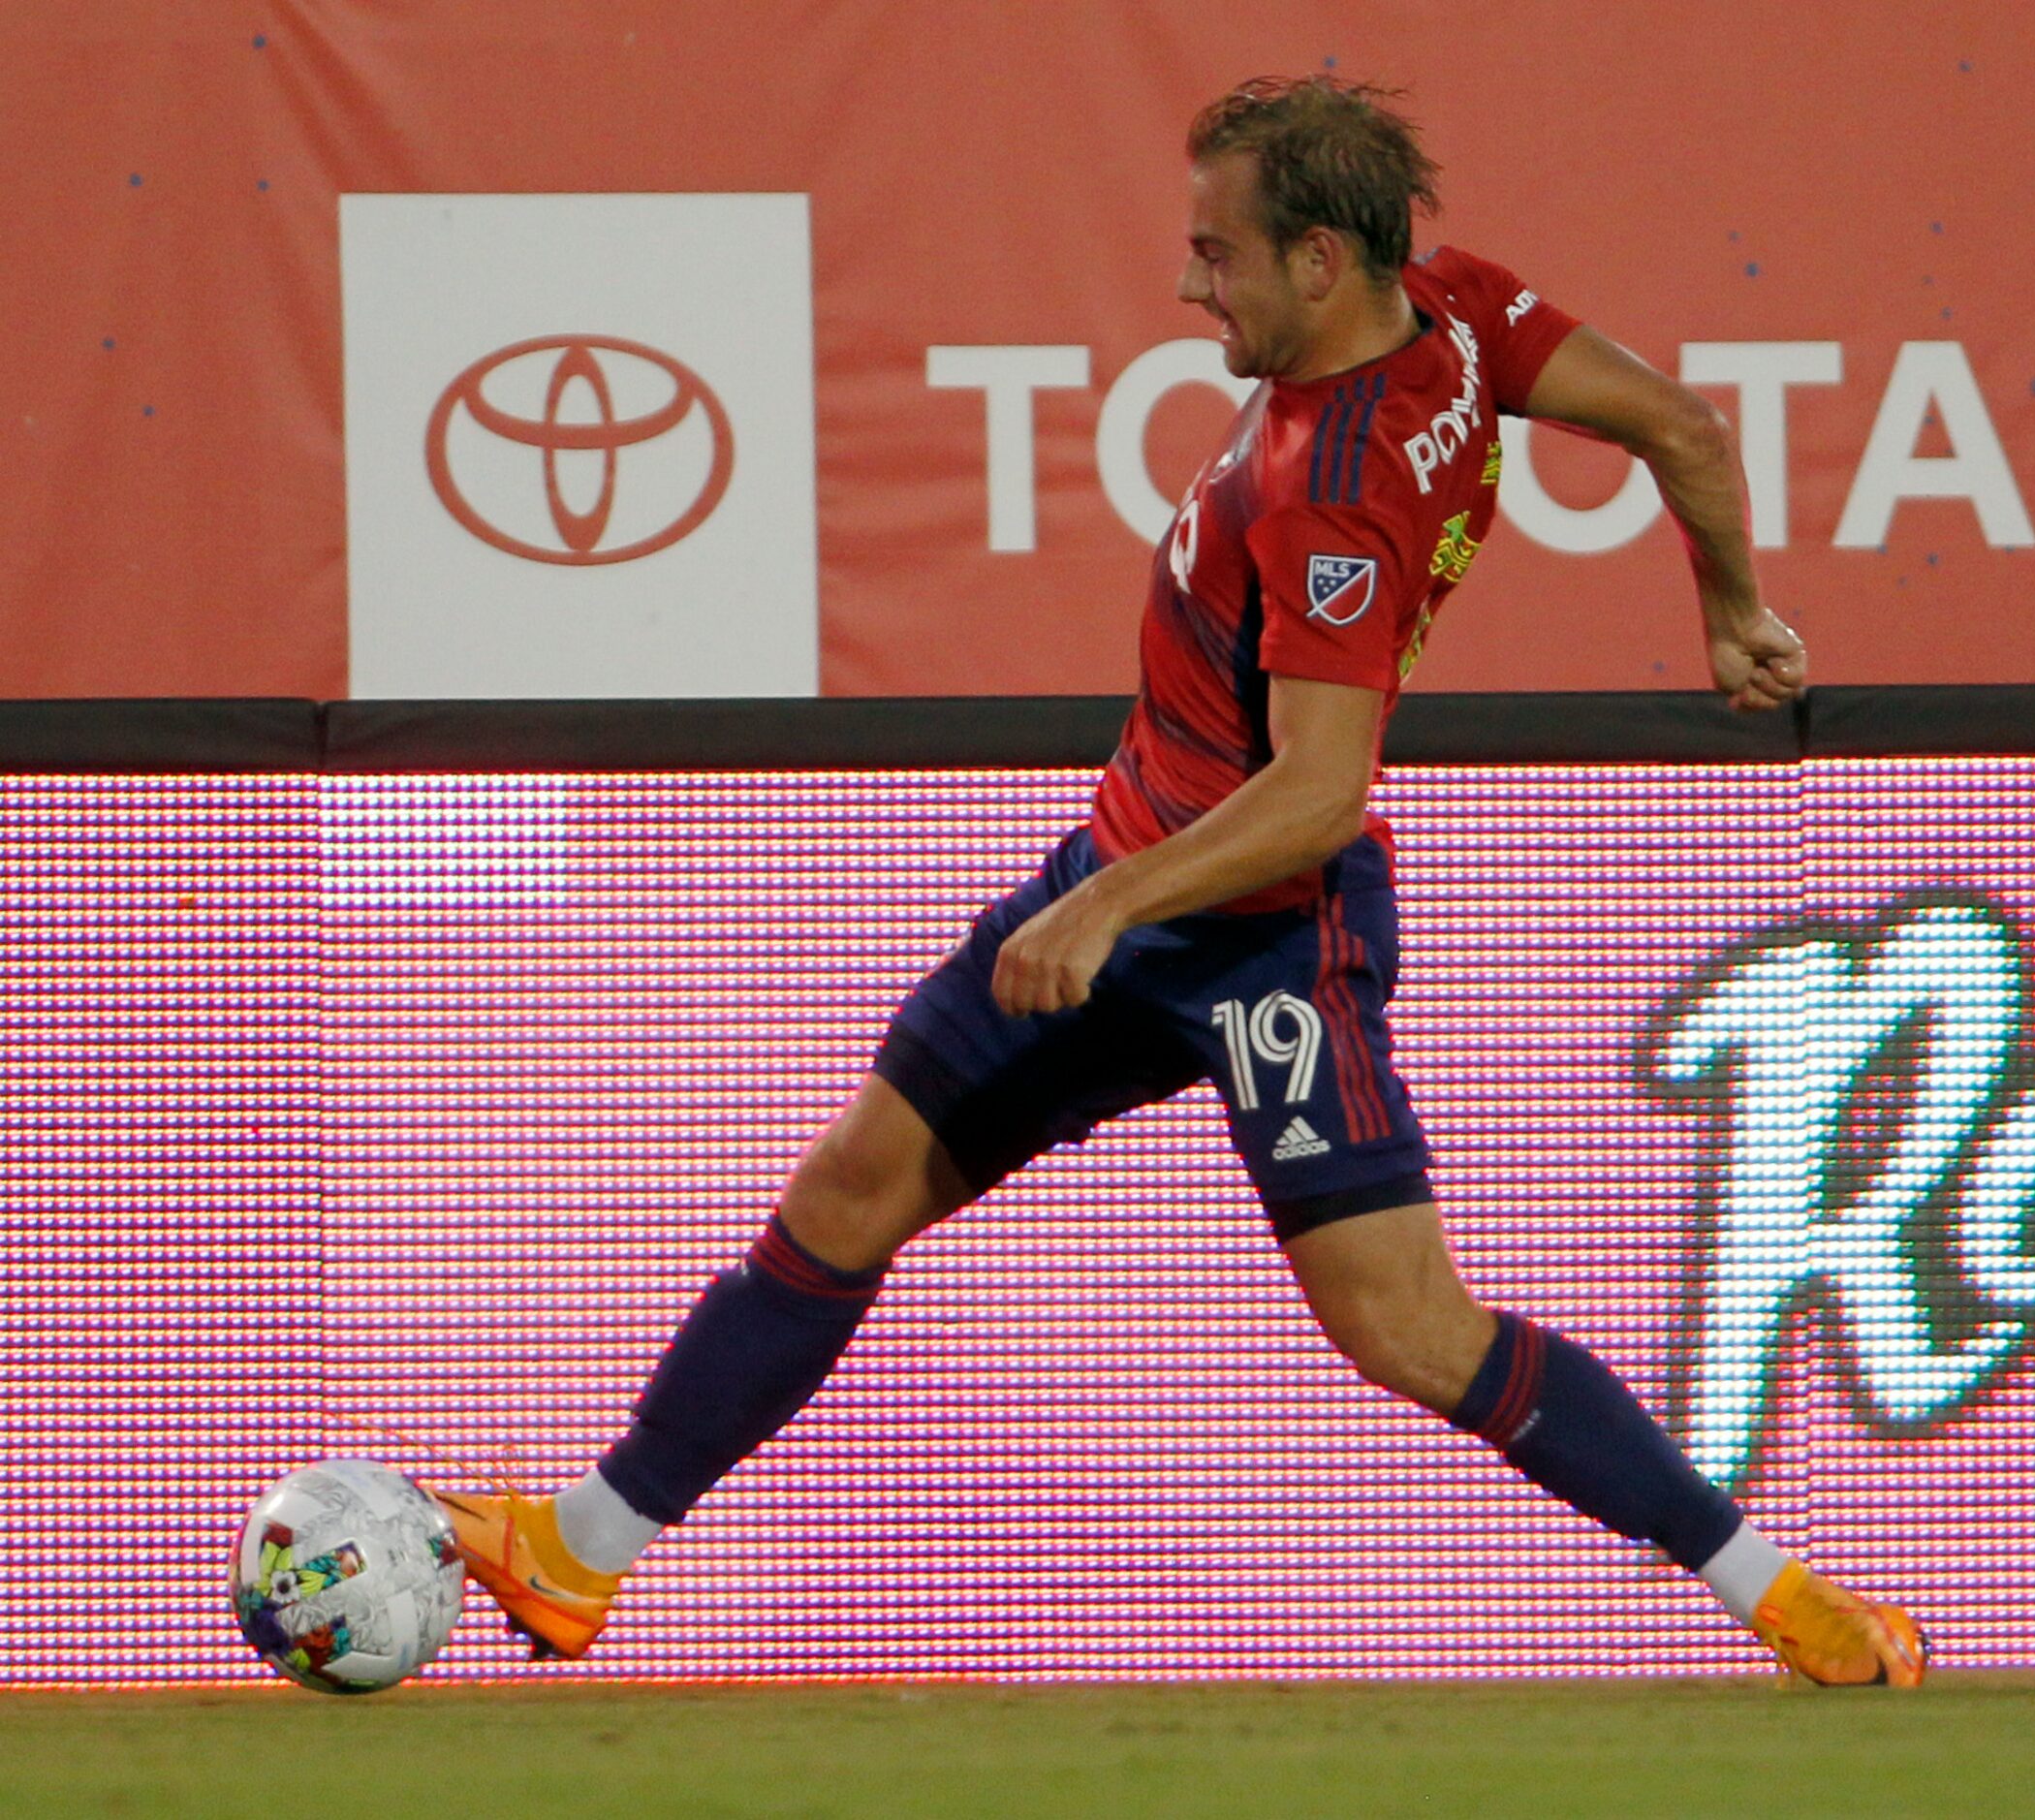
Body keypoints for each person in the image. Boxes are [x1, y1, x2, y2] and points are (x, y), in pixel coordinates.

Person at [437, 74, 1927, 1689]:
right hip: (1138, 869)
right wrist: (1728, 607)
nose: (1184, 283)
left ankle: (1781, 1598)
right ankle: (579, 1550)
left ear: (1314, 261)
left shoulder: (1338, 488)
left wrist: (1100, 908)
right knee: (854, 1184)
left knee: (1410, 1331)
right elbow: (1679, 426)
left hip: (1260, 934)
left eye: (1212, 254)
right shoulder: (1453, 302)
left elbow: (1317, 793)